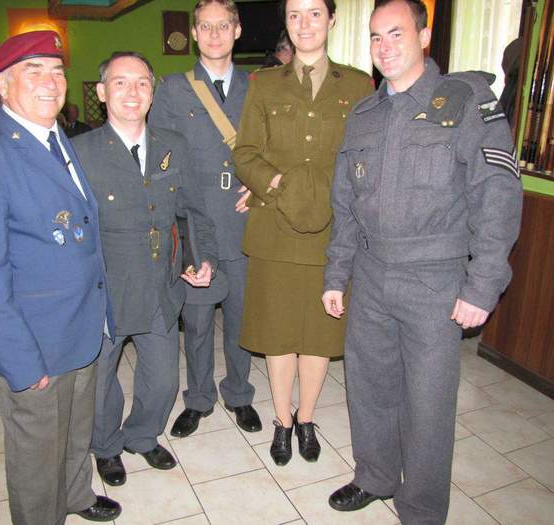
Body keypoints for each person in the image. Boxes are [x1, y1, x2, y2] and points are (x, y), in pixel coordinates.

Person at [322, 1, 522, 523]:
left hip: (434, 280)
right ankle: (375, 476)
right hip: (371, 275)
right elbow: (346, 203)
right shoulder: (363, 115)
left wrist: (482, 285)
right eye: (375, 37)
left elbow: (497, 194)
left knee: (428, 403)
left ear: (424, 35)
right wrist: (337, 274)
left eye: (396, 34)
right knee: (369, 388)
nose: (384, 47)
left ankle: (423, 508)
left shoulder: (465, 101)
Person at [0, 31, 121, 524]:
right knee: (36, 455)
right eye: (33, 70)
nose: (50, 81)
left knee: (75, 430)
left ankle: (76, 495)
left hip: (80, 328)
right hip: (36, 343)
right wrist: (20, 361)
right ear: (2, 85)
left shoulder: (55, 138)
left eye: (57, 71)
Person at [233, 0, 373, 466]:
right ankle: (282, 420)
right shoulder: (264, 83)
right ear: (286, 24)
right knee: (278, 333)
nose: (304, 23)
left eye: (314, 13)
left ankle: (307, 418)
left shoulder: (358, 85)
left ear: (331, 19)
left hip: (332, 231)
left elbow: (364, 157)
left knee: (318, 334)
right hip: (274, 226)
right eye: (295, 15)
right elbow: (245, 153)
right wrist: (277, 184)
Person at [72, 51, 218, 487]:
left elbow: (193, 210)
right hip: (107, 288)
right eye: (120, 82)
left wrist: (201, 258)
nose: (132, 92)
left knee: (162, 378)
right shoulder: (80, 151)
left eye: (141, 83)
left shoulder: (173, 144)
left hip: (161, 283)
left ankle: (141, 435)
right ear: (102, 93)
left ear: (152, 93)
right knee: (101, 380)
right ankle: (105, 445)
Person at [149, 0, 261, 439]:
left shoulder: (258, 87)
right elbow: (161, 156)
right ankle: (198, 398)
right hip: (196, 224)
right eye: (206, 26)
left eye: (223, 25)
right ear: (194, 33)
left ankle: (239, 393)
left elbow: (275, 149)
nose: (215, 34)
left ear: (237, 30)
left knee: (241, 319)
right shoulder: (173, 89)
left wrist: (263, 186)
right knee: (196, 322)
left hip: (245, 220)